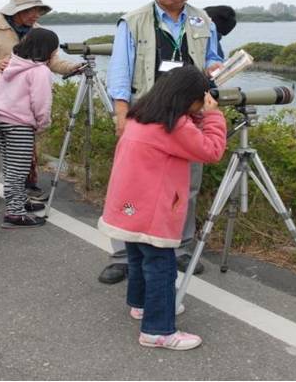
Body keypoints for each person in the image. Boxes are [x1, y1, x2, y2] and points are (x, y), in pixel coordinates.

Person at [99, 0, 224, 285]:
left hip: (188, 114)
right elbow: (120, 70)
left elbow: (213, 57)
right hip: (147, 113)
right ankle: (123, 255)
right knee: (132, 184)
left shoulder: (202, 21)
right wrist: (121, 113)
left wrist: (215, 68)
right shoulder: (134, 20)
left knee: (186, 185)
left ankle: (180, 248)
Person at [97, 66, 227, 350]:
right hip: (152, 209)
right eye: (198, 99)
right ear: (186, 99)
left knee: (137, 257)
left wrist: (196, 113)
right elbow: (211, 150)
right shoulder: (174, 126)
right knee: (162, 266)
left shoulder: (140, 116)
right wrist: (214, 115)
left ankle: (142, 305)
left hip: (127, 205)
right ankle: (157, 330)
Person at [0, 0, 80, 208]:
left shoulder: (39, 31)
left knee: (21, 147)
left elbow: (52, 61)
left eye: (39, 10)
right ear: (16, 10)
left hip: (22, 97)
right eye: (31, 10)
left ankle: (24, 188)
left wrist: (74, 67)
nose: (35, 15)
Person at [0, 28, 60, 228]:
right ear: (47, 49)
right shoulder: (40, 71)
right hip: (19, 123)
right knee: (18, 170)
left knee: (11, 165)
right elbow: (41, 102)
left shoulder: (11, 63)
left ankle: (19, 202)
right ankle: (14, 213)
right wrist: (42, 124)